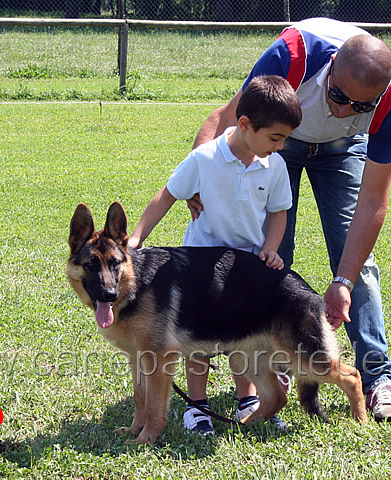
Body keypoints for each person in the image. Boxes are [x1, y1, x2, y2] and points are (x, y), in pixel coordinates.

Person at [189, 18, 391, 422]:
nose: (344, 110)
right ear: (330, 70)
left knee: (359, 269)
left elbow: (373, 200)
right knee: (265, 257)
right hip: (281, 141)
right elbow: (229, 119)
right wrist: (200, 183)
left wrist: (342, 280)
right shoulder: (294, 55)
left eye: (360, 106)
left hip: (345, 150)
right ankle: (274, 365)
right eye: (338, 95)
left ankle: (378, 379)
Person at [128, 75, 302, 434]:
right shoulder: (204, 158)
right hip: (200, 269)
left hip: (245, 268)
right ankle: (197, 406)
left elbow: (279, 212)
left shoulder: (275, 166)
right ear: (244, 124)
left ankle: (249, 399)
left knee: (244, 336)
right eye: (275, 138)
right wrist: (137, 237)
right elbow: (167, 195)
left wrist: (270, 249)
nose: (281, 146)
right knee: (196, 342)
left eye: (285, 138)